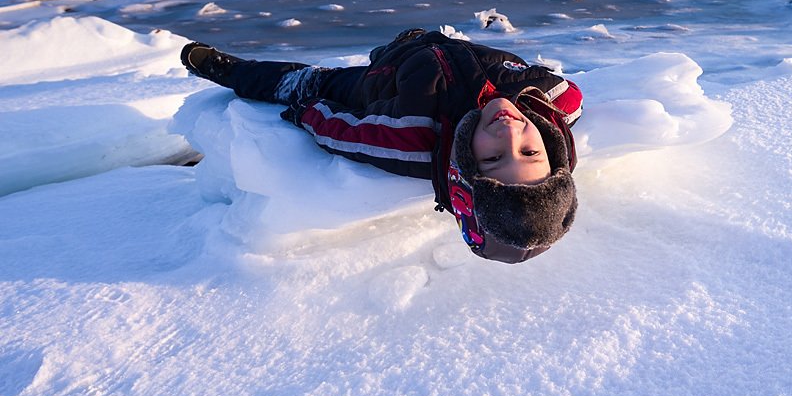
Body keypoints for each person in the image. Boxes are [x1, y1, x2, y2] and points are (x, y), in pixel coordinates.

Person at [180, 28, 583, 263]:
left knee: (302, 81)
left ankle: (231, 70)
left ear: (464, 167)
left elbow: (343, 130)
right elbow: (572, 96)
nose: (511, 134)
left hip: (384, 74)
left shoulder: (410, 138)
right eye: (530, 152)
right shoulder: (543, 103)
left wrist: (306, 110)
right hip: (435, 41)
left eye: (494, 158)